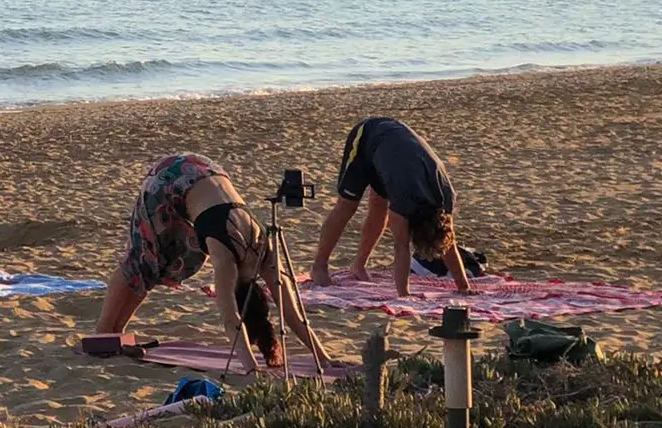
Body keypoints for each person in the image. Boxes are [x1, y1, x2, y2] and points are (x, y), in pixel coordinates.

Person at [90, 154, 332, 378]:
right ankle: (102, 334)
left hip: (204, 169)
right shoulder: (227, 260)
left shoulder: (265, 254)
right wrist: (251, 369)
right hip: (167, 180)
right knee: (143, 259)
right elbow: (232, 321)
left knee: (162, 262)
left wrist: (325, 358)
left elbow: (293, 315)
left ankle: (117, 332)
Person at [309, 117, 471, 297]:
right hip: (368, 137)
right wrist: (404, 295)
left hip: (395, 158)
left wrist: (463, 287)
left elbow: (449, 242)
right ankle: (319, 266)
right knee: (347, 205)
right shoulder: (404, 201)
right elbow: (401, 247)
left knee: (379, 204)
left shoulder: (446, 199)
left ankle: (358, 265)